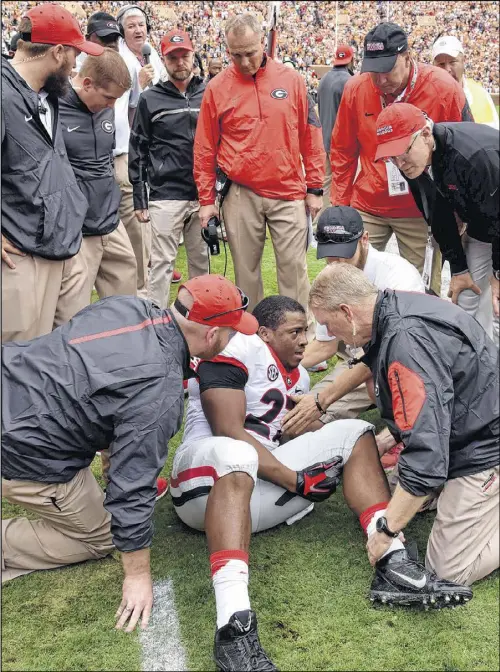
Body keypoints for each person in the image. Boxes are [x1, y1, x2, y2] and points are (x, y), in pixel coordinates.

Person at [172, 295, 472, 670]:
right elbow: (229, 431)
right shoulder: (237, 348)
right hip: (201, 486)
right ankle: (234, 628)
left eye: (306, 330)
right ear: (263, 332)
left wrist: (336, 450)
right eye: (294, 331)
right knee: (239, 454)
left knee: (356, 433)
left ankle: (392, 561)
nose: (304, 340)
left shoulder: (296, 375)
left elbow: (290, 432)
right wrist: (297, 480)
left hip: (251, 494)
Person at [2, 274, 256, 635]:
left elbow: (98, 380)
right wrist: (137, 575)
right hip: (23, 449)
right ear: (211, 335)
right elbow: (132, 487)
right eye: (231, 332)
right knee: (102, 536)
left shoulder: (126, 305)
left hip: (11, 378)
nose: (232, 340)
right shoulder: (159, 391)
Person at [309, 263, 499, 587]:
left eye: (328, 324)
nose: (331, 335)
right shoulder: (390, 306)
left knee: (447, 571)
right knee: (402, 490)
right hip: (469, 423)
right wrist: (390, 437)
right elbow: (432, 395)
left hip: (483, 444)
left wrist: (386, 529)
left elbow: (427, 453)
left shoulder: (406, 340)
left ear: (346, 312)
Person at [194, 13, 325, 321]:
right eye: (235, 54)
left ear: (263, 43)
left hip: (289, 189)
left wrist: (315, 188)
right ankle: (254, 335)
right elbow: (204, 148)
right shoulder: (217, 88)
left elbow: (311, 135)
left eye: (250, 53)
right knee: (246, 271)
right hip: (241, 192)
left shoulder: (292, 80)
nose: (244, 62)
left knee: (293, 270)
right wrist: (205, 201)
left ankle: (297, 338)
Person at [330, 22, 473, 297]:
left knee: (417, 292)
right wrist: (340, 205)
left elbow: (462, 150)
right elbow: (342, 150)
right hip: (369, 203)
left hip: (421, 209)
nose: (380, 79)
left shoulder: (443, 88)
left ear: (408, 58)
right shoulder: (356, 90)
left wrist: (457, 208)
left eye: (387, 69)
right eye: (373, 71)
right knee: (348, 283)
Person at [1, 3, 103, 343]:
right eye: (74, 54)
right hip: (23, 256)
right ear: (58, 52)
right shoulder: (4, 94)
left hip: (63, 247)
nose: (76, 65)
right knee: (19, 364)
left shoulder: (49, 93)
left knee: (59, 358)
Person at [282, 205, 424, 436]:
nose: (336, 261)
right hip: (358, 360)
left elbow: (387, 351)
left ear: (364, 239)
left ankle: (398, 431)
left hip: (399, 358)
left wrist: (323, 399)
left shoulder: (398, 276)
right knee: (299, 422)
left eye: (344, 251)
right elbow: (324, 345)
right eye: (329, 253)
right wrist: (281, 366)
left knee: (311, 417)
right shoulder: (331, 275)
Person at [374, 103, 499, 341]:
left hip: (494, 216)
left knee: (498, 305)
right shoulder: (411, 162)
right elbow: (437, 214)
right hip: (482, 224)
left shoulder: (473, 156)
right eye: (392, 157)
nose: (399, 164)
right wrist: (458, 267)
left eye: (403, 153)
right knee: (466, 295)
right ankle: (480, 366)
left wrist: (498, 273)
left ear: (425, 134)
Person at [129, 30, 208, 310]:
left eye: (184, 55)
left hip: (203, 195)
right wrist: (140, 197)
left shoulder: (208, 92)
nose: (179, 62)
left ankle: (200, 321)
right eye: (172, 57)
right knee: (161, 263)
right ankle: (156, 323)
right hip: (165, 194)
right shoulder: (150, 99)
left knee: (202, 262)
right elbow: (137, 147)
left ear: (193, 55)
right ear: (164, 59)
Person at [60, 51, 137, 301]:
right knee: (74, 312)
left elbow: (106, 160)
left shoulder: (106, 110)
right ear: (87, 83)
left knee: (126, 304)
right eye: (108, 97)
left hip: (111, 222)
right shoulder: (53, 107)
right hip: (77, 230)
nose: (112, 105)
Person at [114, 5, 176, 298]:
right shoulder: (119, 60)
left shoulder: (152, 60)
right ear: (122, 32)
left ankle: (149, 274)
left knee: (148, 221)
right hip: (127, 150)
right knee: (136, 224)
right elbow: (120, 111)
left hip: (154, 152)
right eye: (132, 26)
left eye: (142, 24)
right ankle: (139, 289)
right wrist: (137, 87)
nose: (139, 30)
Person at [432, 35, 499, 130]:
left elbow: (494, 136)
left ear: (464, 61)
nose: (447, 69)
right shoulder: (426, 97)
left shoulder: (480, 94)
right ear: (433, 66)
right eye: (441, 64)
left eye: (453, 62)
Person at [317, 44, 354, 212]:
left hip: (324, 140)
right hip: (342, 144)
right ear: (351, 59)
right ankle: (341, 219)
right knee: (343, 183)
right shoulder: (349, 81)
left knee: (325, 183)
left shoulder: (324, 79)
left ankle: (319, 223)